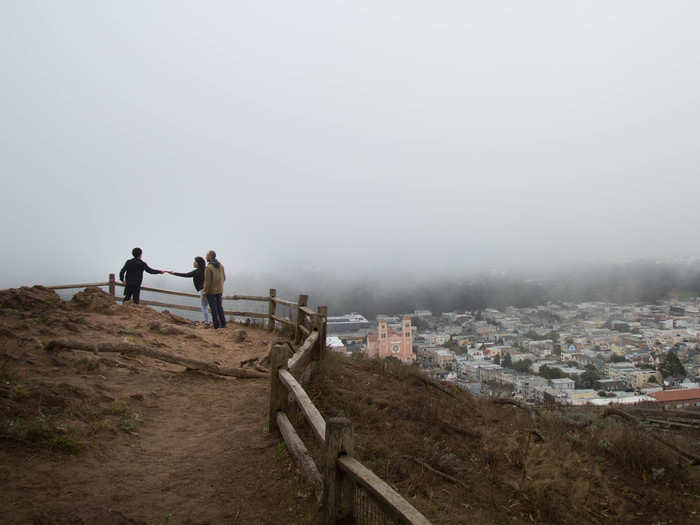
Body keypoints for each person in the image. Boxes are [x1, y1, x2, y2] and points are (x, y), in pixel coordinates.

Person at [165, 256, 210, 325]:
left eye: (195, 262)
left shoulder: (198, 271)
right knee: (207, 306)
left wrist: (174, 273)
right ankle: (208, 321)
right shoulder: (205, 270)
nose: (193, 263)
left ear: (198, 263)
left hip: (203, 290)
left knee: (204, 307)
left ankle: (207, 322)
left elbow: (186, 275)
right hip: (208, 290)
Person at [202, 250, 226, 329]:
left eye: (206, 255)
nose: (205, 257)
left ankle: (216, 326)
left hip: (211, 291)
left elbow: (207, 282)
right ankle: (223, 324)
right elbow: (224, 278)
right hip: (220, 290)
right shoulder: (221, 266)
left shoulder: (208, 267)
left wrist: (204, 293)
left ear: (210, 256)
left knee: (213, 309)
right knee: (219, 307)